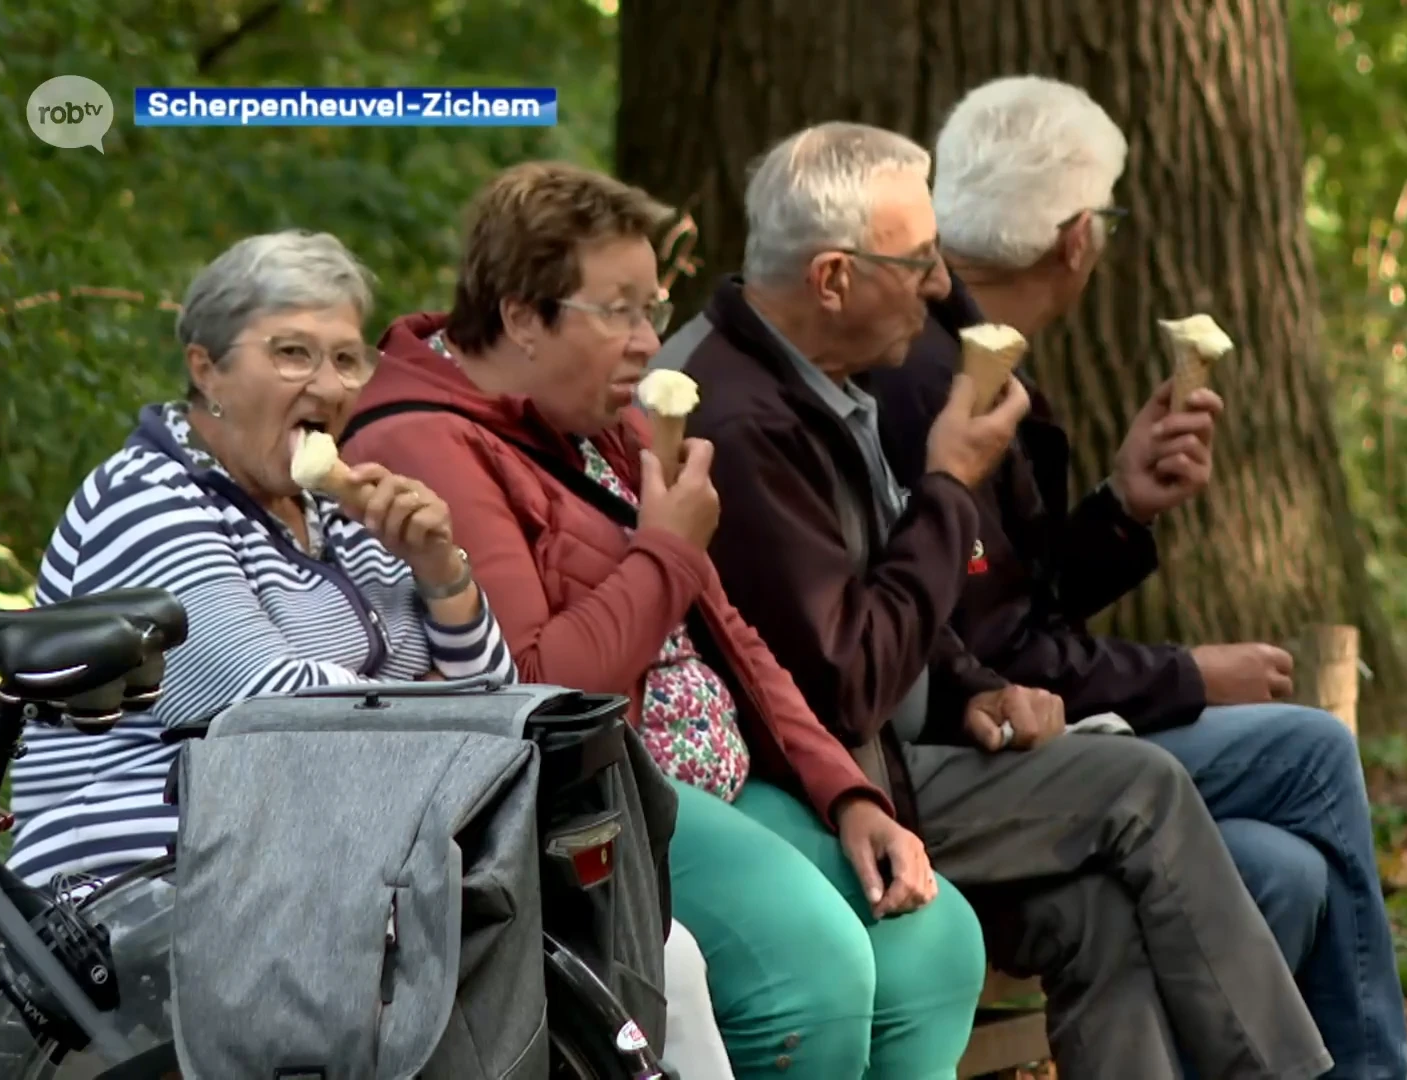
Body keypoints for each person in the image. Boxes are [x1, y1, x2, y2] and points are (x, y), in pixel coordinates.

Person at [652, 122, 1333, 1080]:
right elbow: (845, 683)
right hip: (841, 791)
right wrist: (948, 487)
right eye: (919, 261)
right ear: (834, 278)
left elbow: (904, 602)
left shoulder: (829, 380)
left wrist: (973, 683)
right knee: (1141, 786)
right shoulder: (741, 420)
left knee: (1102, 915)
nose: (940, 287)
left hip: (917, 750)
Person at [338, 161, 986, 1080]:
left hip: (718, 772)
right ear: (523, 314)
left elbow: (732, 637)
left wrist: (848, 794)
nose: (651, 341)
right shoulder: (423, 439)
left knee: (937, 942)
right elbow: (534, 695)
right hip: (603, 797)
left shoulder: (607, 423)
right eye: (621, 311)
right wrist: (669, 549)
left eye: (655, 306)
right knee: (814, 973)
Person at [861, 76, 1407, 1080]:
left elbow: (1003, 599)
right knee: (1313, 752)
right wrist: (1189, 677)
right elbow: (982, 651)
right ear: (1080, 237)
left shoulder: (974, 353)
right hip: (956, 757)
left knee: (1279, 871)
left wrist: (1121, 509)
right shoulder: (925, 376)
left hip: (997, 732)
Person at [7, 229, 517, 890]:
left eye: (345, 358)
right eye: (293, 353)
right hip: (148, 880)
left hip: (330, 864)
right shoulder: (146, 497)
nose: (329, 386)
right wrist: (446, 715)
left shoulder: (346, 518)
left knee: (649, 945)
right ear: (206, 368)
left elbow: (496, 706)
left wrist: (442, 573)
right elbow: (264, 709)